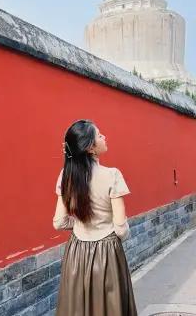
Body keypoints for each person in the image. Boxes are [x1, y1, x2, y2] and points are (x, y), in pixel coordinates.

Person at [53, 119, 137, 316]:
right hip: (107, 250)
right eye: (99, 135)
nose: (104, 137)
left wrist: (81, 222)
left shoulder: (66, 175)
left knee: (78, 307)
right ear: (90, 147)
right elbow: (121, 228)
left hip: (76, 251)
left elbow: (59, 222)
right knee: (110, 307)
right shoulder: (112, 175)